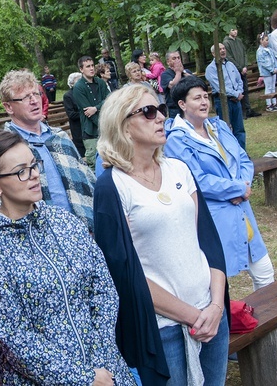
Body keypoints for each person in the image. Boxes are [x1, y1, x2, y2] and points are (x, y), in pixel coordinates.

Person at [0, 129, 135, 385]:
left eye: (34, 165)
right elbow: (14, 335)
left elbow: (103, 288)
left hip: (104, 369)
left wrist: (100, 358)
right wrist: (80, 378)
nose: (34, 175)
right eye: (21, 171)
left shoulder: (63, 221)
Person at [95, 85, 230, 385]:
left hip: (212, 313)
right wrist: (192, 316)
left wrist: (216, 306)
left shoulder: (179, 169)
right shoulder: (112, 187)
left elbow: (208, 243)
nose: (161, 118)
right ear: (123, 125)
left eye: (161, 110)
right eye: (148, 112)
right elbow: (125, 274)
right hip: (164, 327)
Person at [164, 76, 277, 336]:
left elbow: (242, 156)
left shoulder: (218, 126)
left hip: (241, 207)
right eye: (197, 98)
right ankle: (222, 331)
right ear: (182, 105)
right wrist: (237, 188)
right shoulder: (177, 139)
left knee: (262, 265)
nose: (204, 101)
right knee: (218, 279)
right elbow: (197, 179)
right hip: (214, 213)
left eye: (206, 96)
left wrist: (244, 182)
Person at [0, 69, 96, 228]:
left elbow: (88, 181)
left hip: (84, 230)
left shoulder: (60, 137)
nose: (34, 101)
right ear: (8, 107)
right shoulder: (5, 148)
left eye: (36, 94)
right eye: (25, 97)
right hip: (42, 236)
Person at [205, 43, 246, 150]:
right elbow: (220, 88)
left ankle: (242, 153)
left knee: (239, 129)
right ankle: (230, 153)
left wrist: (239, 92)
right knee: (225, 130)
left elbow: (239, 80)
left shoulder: (230, 65)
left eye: (224, 48)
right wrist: (236, 94)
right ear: (214, 53)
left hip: (236, 101)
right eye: (220, 49)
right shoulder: (211, 69)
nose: (223, 51)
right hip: (223, 101)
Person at [73, 55, 110, 168]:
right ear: (81, 69)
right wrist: (100, 123)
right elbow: (87, 112)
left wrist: (96, 108)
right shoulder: (78, 87)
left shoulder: (101, 83)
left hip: (105, 127)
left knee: (109, 158)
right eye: (88, 66)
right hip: (90, 131)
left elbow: (109, 101)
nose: (91, 68)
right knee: (94, 162)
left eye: (92, 65)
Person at [224, 28, 260, 118]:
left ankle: (248, 109)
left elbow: (244, 53)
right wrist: (239, 68)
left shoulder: (239, 41)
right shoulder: (226, 43)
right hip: (235, 71)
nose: (235, 32)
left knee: (245, 89)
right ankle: (241, 111)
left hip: (243, 70)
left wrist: (245, 66)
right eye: (232, 30)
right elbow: (229, 57)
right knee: (238, 90)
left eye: (235, 29)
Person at [160, 51, 191, 119]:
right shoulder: (165, 74)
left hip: (189, 106)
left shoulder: (186, 72)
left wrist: (183, 72)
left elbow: (194, 81)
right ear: (168, 62)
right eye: (174, 58)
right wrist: (178, 72)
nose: (177, 60)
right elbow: (173, 86)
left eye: (178, 58)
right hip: (175, 109)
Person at [63, 71, 86, 158]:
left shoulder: (84, 93)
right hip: (78, 128)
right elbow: (71, 114)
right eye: (78, 80)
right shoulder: (68, 96)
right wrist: (85, 114)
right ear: (72, 83)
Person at [255, 32, 277, 112]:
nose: (267, 41)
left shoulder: (269, 49)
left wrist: (276, 67)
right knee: (268, 87)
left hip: (273, 71)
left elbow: (274, 59)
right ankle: (269, 104)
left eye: (268, 40)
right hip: (266, 72)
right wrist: (271, 69)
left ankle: (274, 103)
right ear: (261, 41)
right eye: (266, 40)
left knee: (273, 87)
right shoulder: (260, 51)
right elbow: (263, 63)